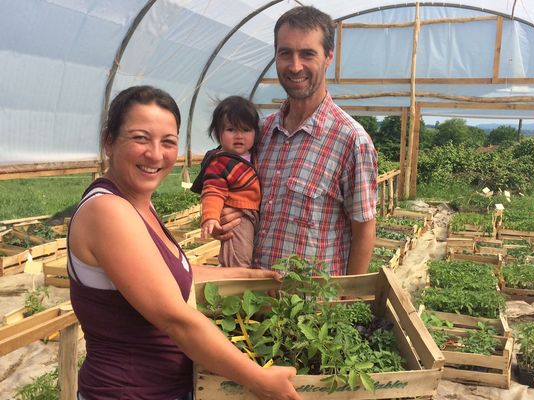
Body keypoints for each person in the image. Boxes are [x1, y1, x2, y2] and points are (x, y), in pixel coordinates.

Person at [67, 85, 300, 400]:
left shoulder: (139, 204)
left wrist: (256, 276)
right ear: (109, 141)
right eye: (140, 138)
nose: (155, 154)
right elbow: (175, 318)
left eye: (168, 142)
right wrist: (258, 379)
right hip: (128, 392)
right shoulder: (107, 210)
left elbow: (177, 274)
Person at [217, 6, 378, 277]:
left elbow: (364, 230)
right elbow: (240, 193)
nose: (294, 66)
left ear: (328, 58)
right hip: (249, 299)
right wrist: (230, 214)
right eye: (285, 53)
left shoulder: (351, 140)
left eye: (307, 54)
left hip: (310, 310)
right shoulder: (261, 132)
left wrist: (347, 299)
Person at [190, 96, 260, 268]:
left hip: (255, 214)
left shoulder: (256, 155)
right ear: (217, 133)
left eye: (246, 129)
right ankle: (237, 287)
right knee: (238, 258)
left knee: (251, 254)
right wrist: (211, 217)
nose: (239, 136)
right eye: (230, 129)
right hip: (238, 216)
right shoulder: (220, 162)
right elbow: (213, 191)